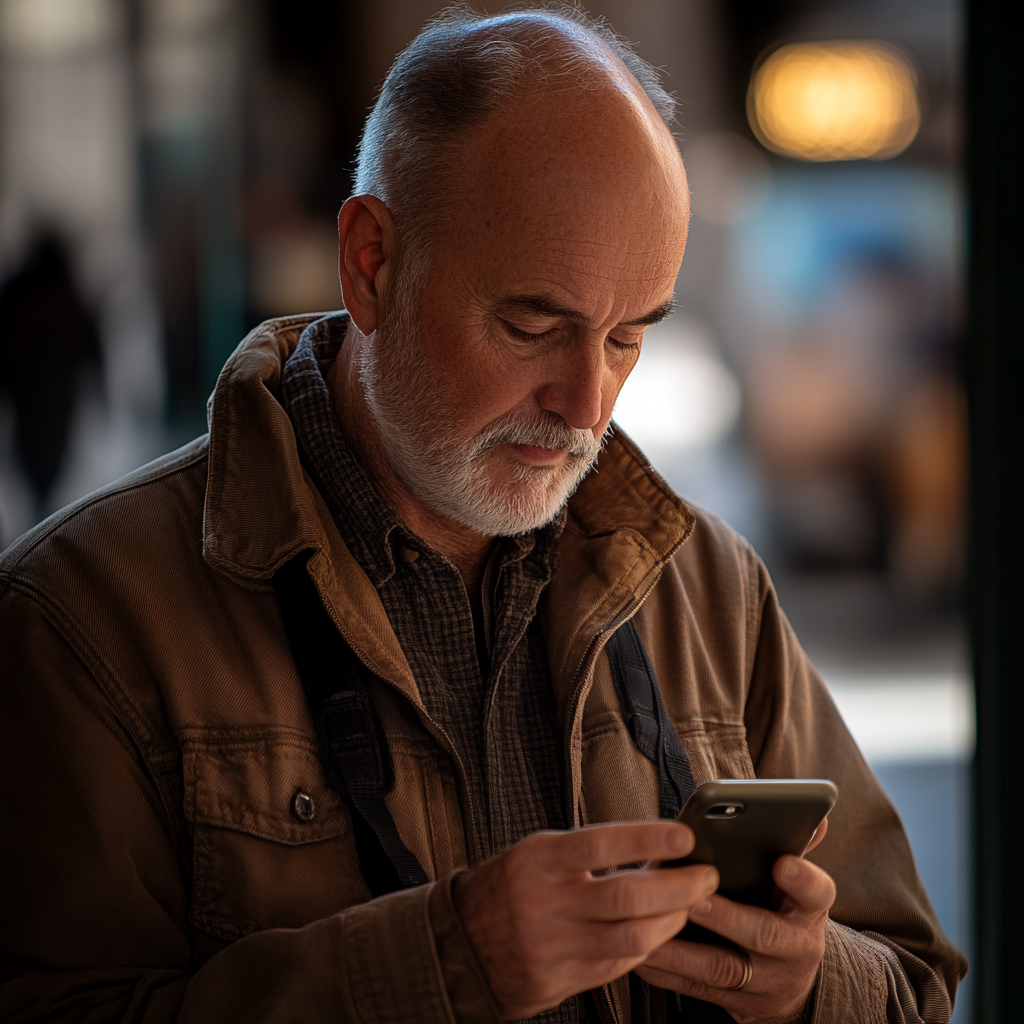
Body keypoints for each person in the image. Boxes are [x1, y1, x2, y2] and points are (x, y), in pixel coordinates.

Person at [0, 6, 966, 1023]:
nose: (588, 404)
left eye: (629, 337)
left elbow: (914, 981)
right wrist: (440, 966)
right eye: (532, 325)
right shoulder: (83, 620)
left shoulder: (707, 586)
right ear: (371, 261)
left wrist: (808, 984)